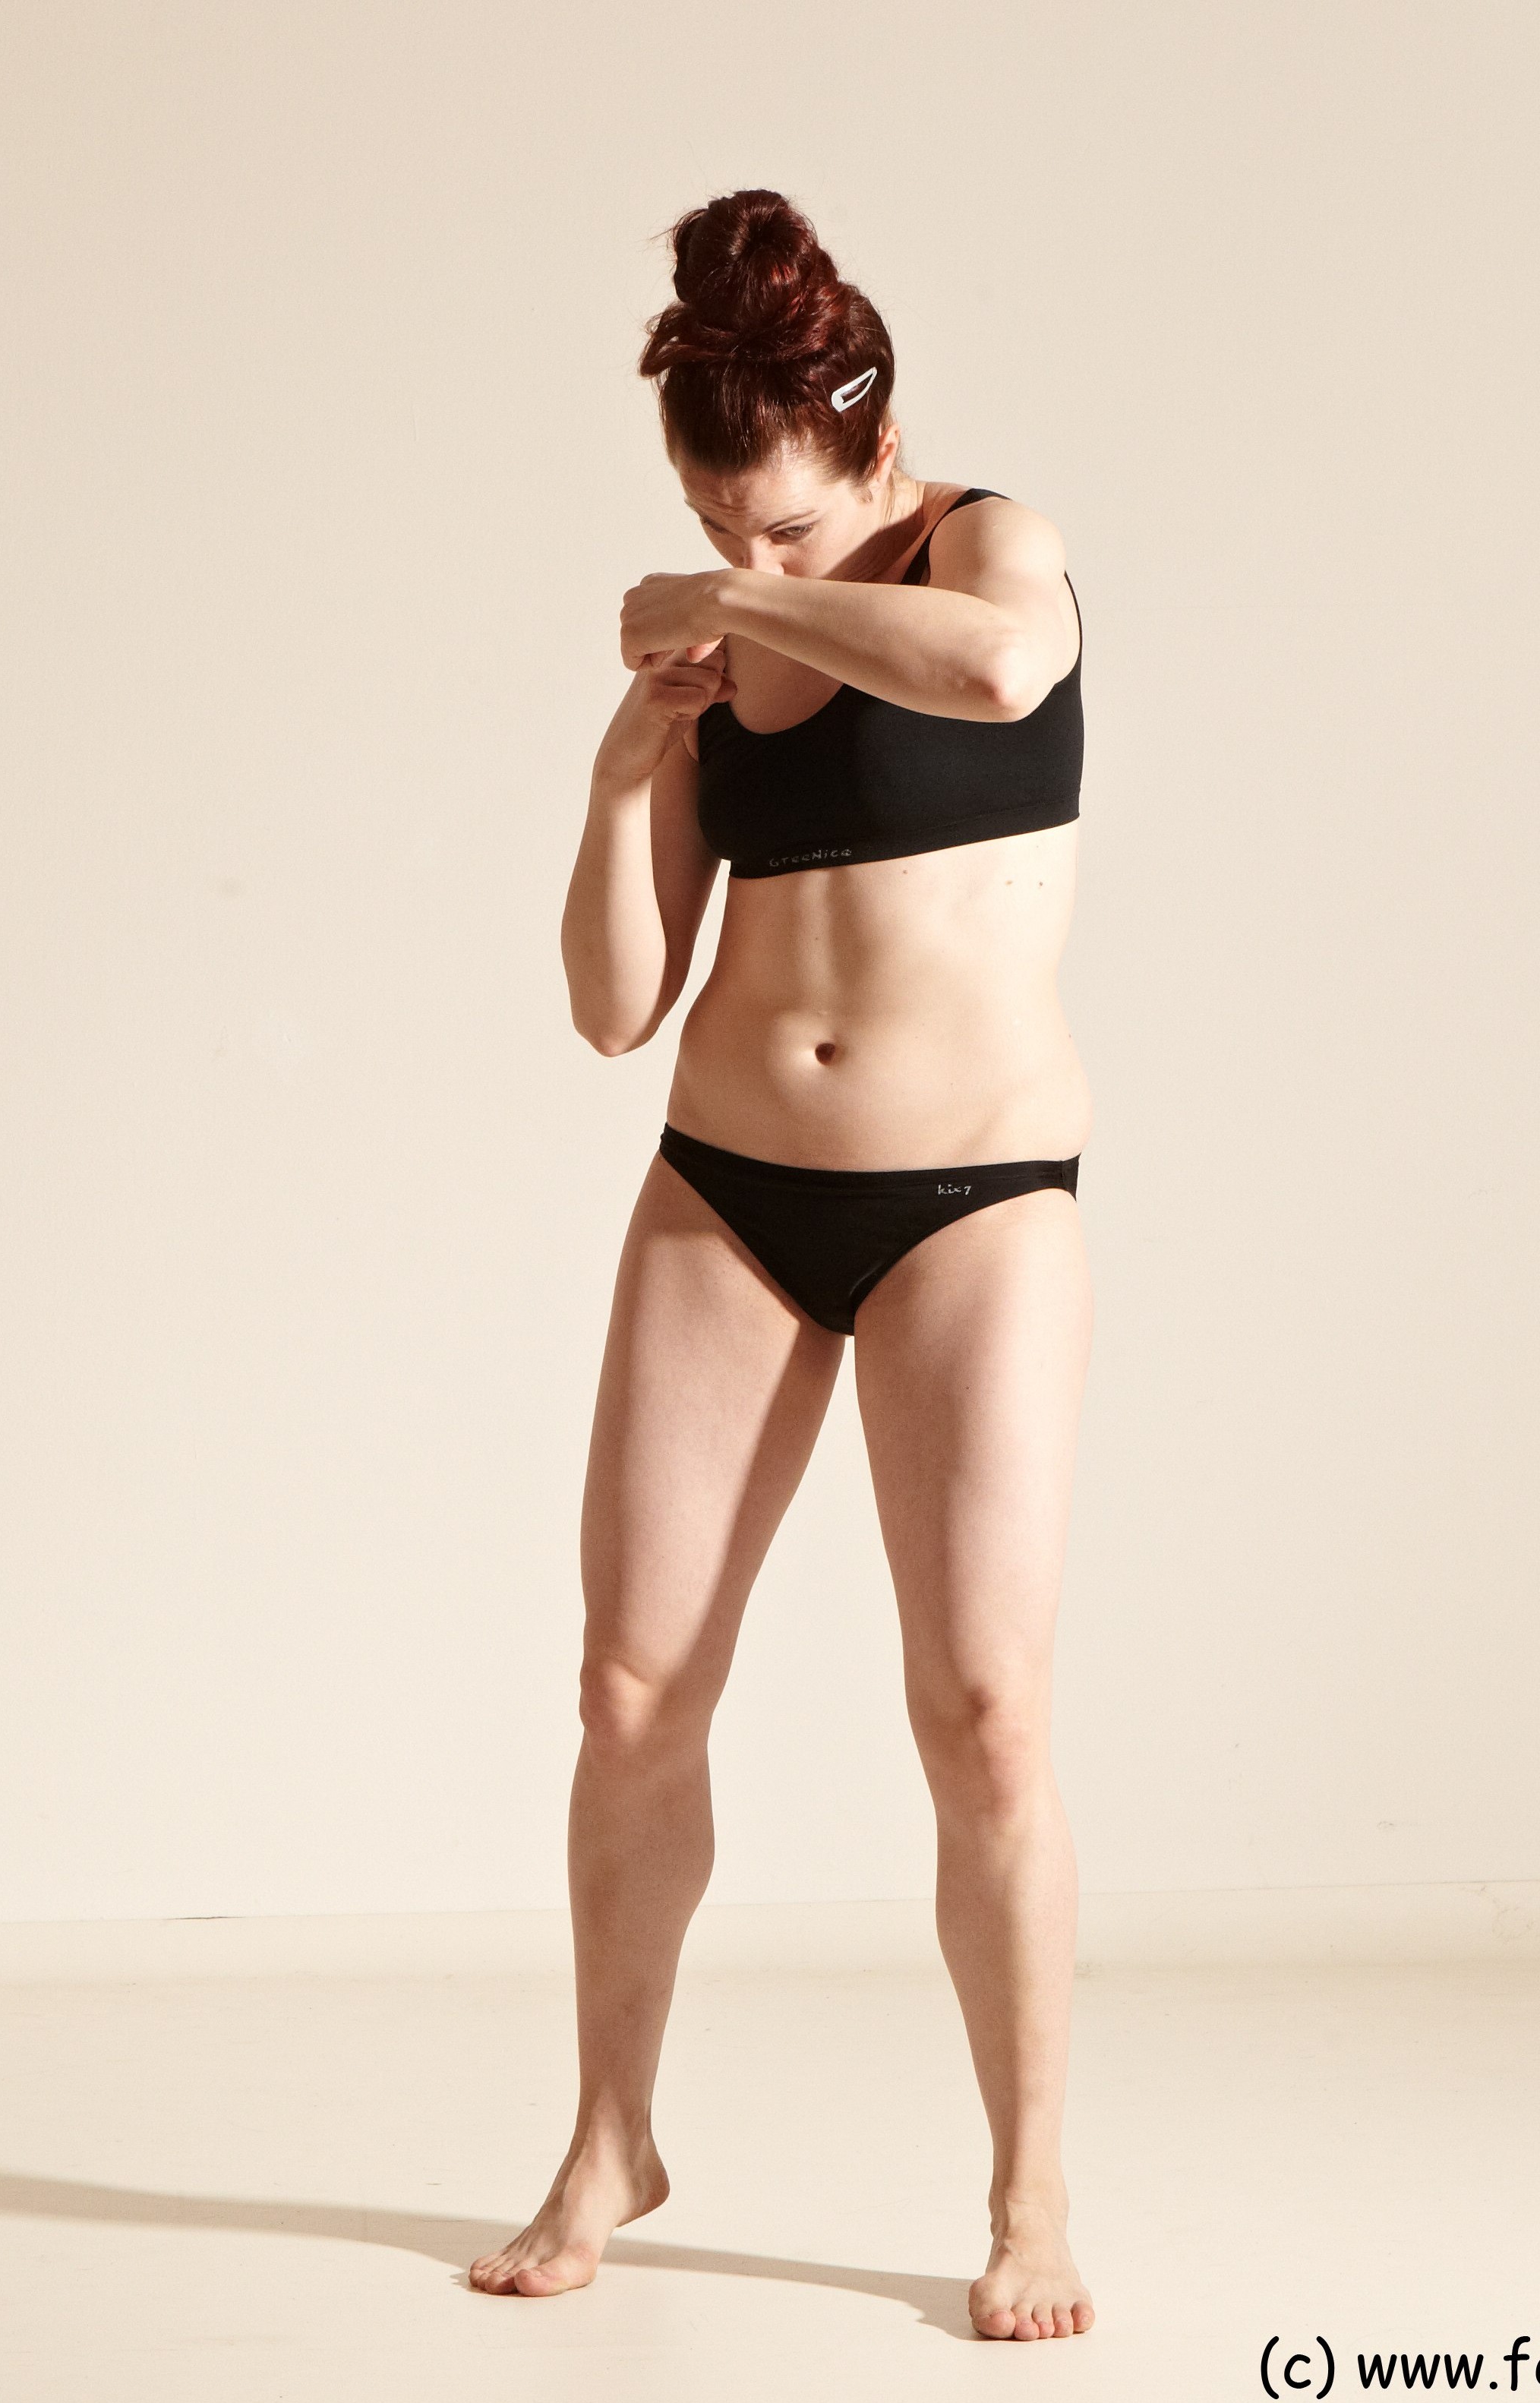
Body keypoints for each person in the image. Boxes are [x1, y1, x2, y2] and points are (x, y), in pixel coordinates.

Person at [468, 188, 1097, 2343]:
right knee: (628, 1689)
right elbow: (613, 1003)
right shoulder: (725, 631)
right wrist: (630, 758)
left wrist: (751, 597)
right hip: (729, 1185)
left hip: (973, 1199)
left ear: (879, 441)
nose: (754, 560)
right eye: (719, 522)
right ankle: (608, 2137)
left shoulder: (993, 552)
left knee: (984, 1709)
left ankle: (1028, 2192)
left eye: (794, 525)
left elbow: (1002, 672)